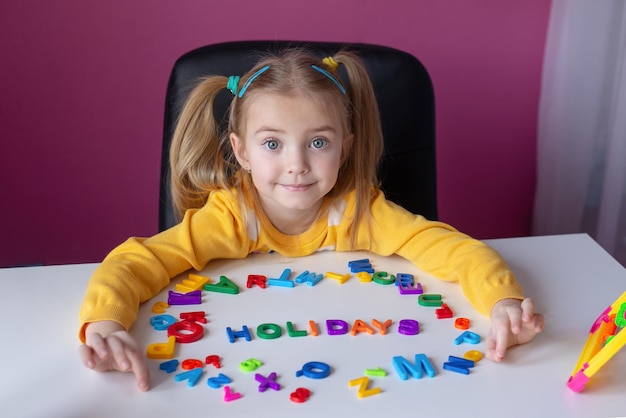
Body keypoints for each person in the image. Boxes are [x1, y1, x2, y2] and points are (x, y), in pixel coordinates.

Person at [78, 49, 544, 392]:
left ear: (344, 147)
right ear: (240, 150)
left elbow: (451, 249)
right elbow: (137, 262)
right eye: (273, 144)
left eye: (318, 143)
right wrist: (105, 324)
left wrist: (502, 300)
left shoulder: (360, 212)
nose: (297, 163)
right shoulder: (231, 216)